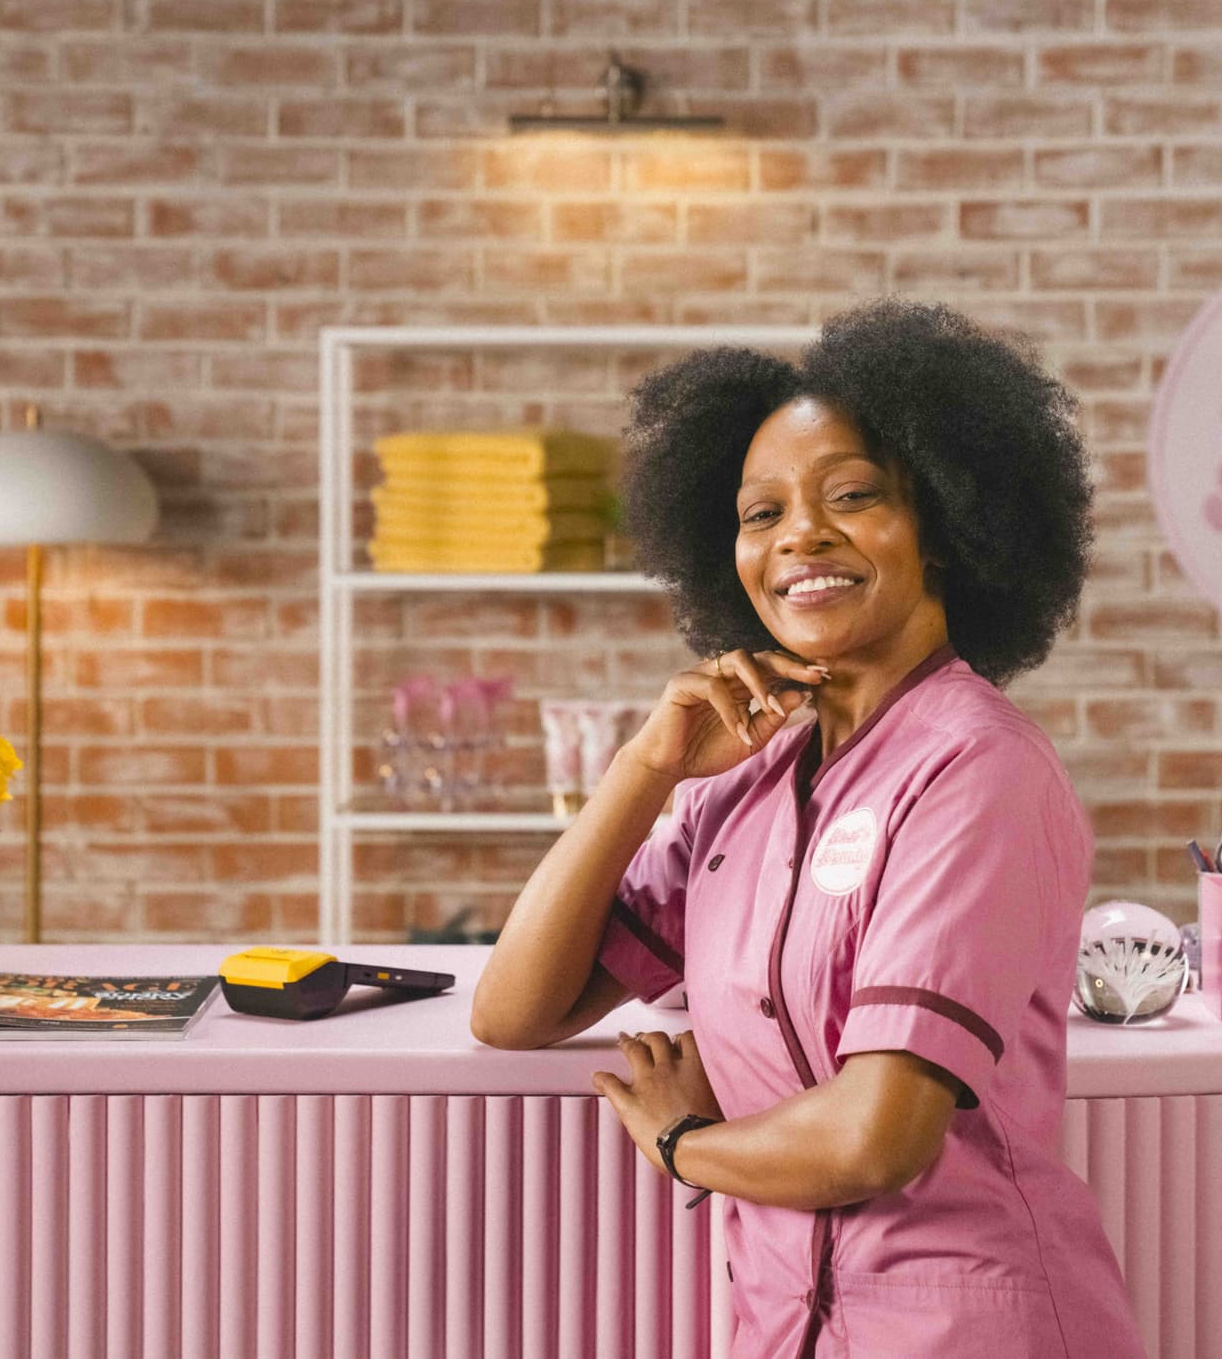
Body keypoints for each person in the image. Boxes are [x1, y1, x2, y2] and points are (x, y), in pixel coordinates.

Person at [471, 300, 1146, 1358]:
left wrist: (682, 1142)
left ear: (947, 527)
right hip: (782, 1327)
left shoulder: (977, 766)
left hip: (964, 1329)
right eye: (758, 513)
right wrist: (647, 768)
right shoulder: (742, 775)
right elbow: (517, 1009)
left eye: (852, 496)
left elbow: (876, 1135)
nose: (800, 537)